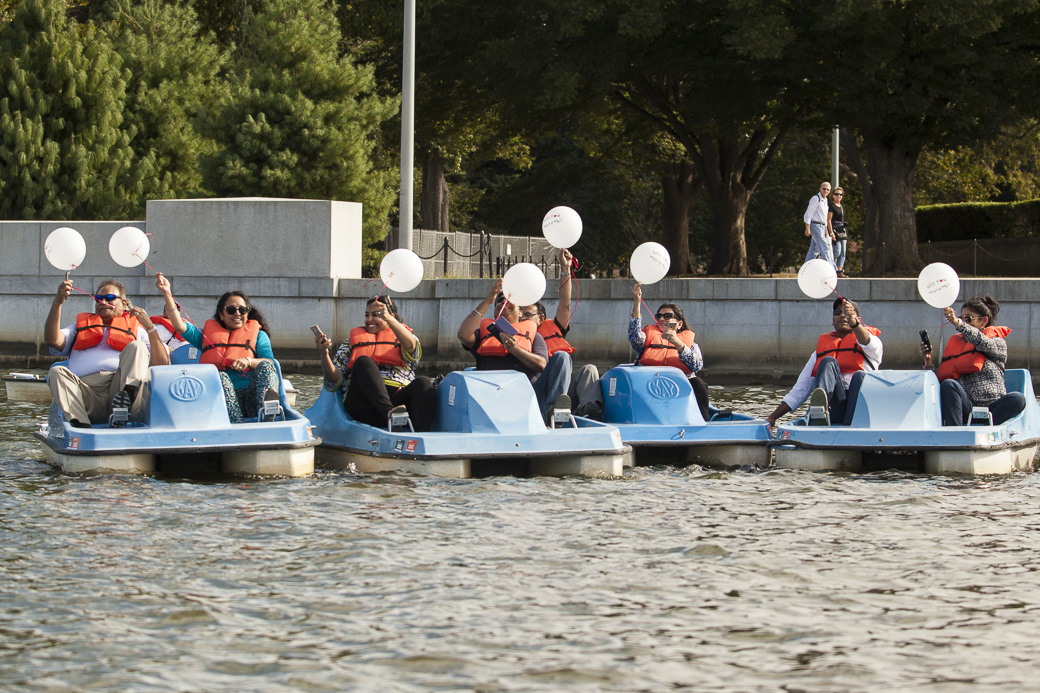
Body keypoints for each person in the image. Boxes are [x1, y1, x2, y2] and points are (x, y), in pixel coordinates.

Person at [155, 273, 280, 424]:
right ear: (221, 314)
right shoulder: (205, 336)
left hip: (252, 398)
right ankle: (236, 423)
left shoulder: (259, 336)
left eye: (242, 310)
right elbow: (179, 325)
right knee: (221, 377)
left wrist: (248, 361)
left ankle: (268, 410)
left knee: (266, 366)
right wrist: (167, 292)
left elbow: (270, 362)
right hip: (221, 402)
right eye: (231, 310)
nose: (237, 314)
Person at [44, 278, 169, 427]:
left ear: (123, 303)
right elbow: (52, 340)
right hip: (86, 394)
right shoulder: (78, 327)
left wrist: (150, 327)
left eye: (109, 298)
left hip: (120, 388)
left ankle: (124, 404)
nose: (103, 301)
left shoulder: (138, 330)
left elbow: (161, 363)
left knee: (137, 346)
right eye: (99, 299)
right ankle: (81, 427)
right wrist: (58, 302)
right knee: (57, 371)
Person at [314, 295, 436, 431]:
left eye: (376, 315)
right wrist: (324, 353)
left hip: (399, 400)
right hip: (364, 404)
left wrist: (389, 318)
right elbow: (333, 380)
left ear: (391, 316)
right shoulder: (351, 343)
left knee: (424, 382)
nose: (369, 320)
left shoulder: (405, 338)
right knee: (363, 361)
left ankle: (420, 437)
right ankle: (391, 414)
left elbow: (411, 347)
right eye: (367, 315)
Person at [457, 279, 571, 421]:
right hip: (492, 395)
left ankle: (552, 414)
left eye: (510, 300)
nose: (504, 301)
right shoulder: (483, 333)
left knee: (562, 357)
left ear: (520, 313)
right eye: (499, 300)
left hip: (530, 397)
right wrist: (488, 300)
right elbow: (463, 335)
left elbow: (541, 364)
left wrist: (514, 349)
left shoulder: (534, 336)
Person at [767, 297, 882, 427]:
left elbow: (867, 342)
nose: (842, 316)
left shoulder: (872, 343)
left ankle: (853, 427)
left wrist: (854, 323)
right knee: (828, 361)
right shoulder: (819, 353)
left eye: (848, 313)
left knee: (859, 376)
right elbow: (800, 390)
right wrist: (772, 418)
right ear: (833, 320)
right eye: (838, 313)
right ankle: (819, 411)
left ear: (858, 319)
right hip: (834, 407)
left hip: (858, 409)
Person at [520, 248, 603, 418]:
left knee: (589, 369)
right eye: (521, 314)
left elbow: (565, 304)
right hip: (537, 390)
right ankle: (553, 412)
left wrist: (565, 270)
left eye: (528, 314)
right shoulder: (516, 332)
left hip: (562, 390)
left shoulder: (553, 326)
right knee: (561, 357)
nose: (523, 318)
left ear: (541, 318)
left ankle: (590, 410)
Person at [920, 295, 1026, 426]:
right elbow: (936, 383)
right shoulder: (957, 346)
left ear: (984, 321)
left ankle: (987, 429)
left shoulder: (998, 343)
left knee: (1018, 398)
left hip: (992, 408)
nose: (964, 322)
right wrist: (928, 361)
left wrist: (958, 324)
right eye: (961, 318)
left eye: (968, 319)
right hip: (966, 407)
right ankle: (955, 436)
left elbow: (981, 341)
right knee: (949, 384)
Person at [629, 283, 710, 420]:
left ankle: (702, 422)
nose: (661, 319)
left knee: (699, 383)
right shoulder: (647, 337)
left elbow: (696, 365)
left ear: (679, 324)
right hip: (648, 383)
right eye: (659, 316)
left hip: (679, 385)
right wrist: (637, 302)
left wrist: (677, 343)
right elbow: (634, 335)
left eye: (667, 316)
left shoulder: (690, 344)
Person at [803, 181, 835, 269]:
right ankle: (833, 268)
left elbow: (823, 217)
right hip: (815, 225)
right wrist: (807, 227)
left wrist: (825, 230)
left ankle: (806, 268)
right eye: (824, 189)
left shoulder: (825, 200)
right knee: (825, 247)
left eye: (828, 189)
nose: (825, 191)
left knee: (814, 250)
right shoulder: (816, 198)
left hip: (821, 226)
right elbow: (808, 213)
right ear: (820, 189)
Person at [828, 186, 848, 277]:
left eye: (840, 194)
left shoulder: (841, 206)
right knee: (837, 250)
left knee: (843, 252)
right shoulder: (831, 206)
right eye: (836, 194)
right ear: (832, 195)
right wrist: (831, 232)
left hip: (842, 230)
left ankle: (839, 271)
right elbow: (829, 220)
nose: (838, 196)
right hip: (835, 230)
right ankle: (831, 267)